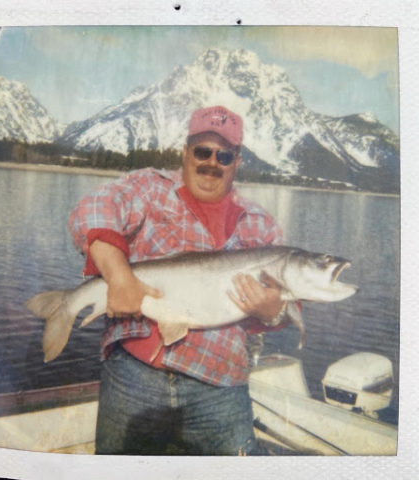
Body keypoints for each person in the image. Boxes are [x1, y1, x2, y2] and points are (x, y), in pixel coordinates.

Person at [69, 105, 290, 455]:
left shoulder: (260, 225)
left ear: (237, 162)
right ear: (185, 152)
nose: (211, 162)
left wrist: (273, 312)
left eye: (224, 156)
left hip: (220, 381)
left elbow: (287, 311)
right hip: (133, 373)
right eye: (202, 151)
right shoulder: (149, 188)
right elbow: (93, 208)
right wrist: (119, 276)